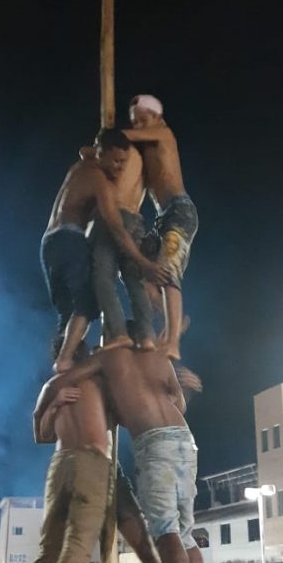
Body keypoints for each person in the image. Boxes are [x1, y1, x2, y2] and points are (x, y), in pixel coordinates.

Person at [34, 345, 212, 563]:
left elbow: (136, 404)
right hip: (85, 465)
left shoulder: (98, 379)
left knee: (142, 538)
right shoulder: (70, 382)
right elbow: (42, 432)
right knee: (73, 547)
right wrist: (52, 402)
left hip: (108, 467)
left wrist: (172, 386)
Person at [24, 345, 164, 563]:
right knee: (76, 546)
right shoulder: (95, 379)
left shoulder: (55, 387)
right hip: (92, 464)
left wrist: (51, 405)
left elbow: (41, 434)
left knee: (52, 550)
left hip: (67, 465)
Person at [41, 127, 168, 373]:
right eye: (117, 161)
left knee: (68, 313)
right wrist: (143, 262)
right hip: (71, 239)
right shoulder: (100, 181)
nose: (120, 168)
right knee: (89, 305)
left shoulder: (82, 166)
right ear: (103, 153)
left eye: (124, 162)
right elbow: (118, 230)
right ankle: (65, 361)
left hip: (50, 244)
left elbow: (86, 151)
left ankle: (67, 366)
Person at [124, 95, 196, 361]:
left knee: (167, 271)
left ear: (158, 118)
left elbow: (126, 137)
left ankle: (173, 342)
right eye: (135, 122)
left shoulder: (164, 134)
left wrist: (107, 137)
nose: (140, 126)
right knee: (138, 269)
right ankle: (169, 317)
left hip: (180, 211)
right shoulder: (143, 149)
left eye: (144, 120)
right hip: (161, 219)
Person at [83, 133, 155, 351]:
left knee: (102, 276)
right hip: (136, 219)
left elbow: (85, 152)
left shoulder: (122, 152)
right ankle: (146, 337)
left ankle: (119, 333)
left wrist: (99, 146)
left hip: (115, 215)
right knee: (134, 281)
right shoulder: (143, 162)